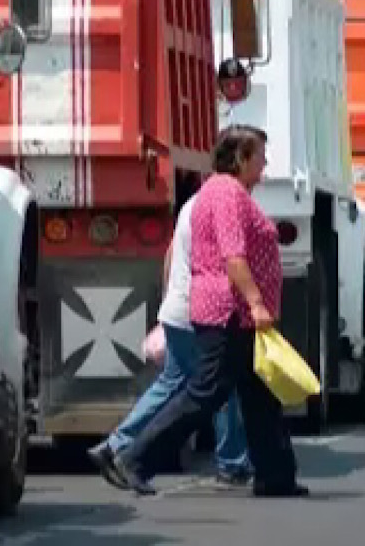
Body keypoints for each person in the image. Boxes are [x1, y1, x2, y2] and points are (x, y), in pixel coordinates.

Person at [106, 125, 307, 498]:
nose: (265, 163)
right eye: (260, 155)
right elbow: (233, 258)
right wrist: (257, 301)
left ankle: (276, 475)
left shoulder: (220, 191)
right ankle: (135, 457)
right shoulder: (227, 194)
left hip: (233, 311)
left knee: (259, 393)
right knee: (206, 391)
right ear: (241, 159)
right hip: (228, 311)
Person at [87, 193, 254, 488]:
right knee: (220, 386)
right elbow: (232, 261)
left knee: (173, 382)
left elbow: (171, 254)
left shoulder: (193, 205)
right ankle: (231, 462)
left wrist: (168, 302)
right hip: (199, 311)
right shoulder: (222, 206)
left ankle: (115, 445)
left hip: (179, 309)